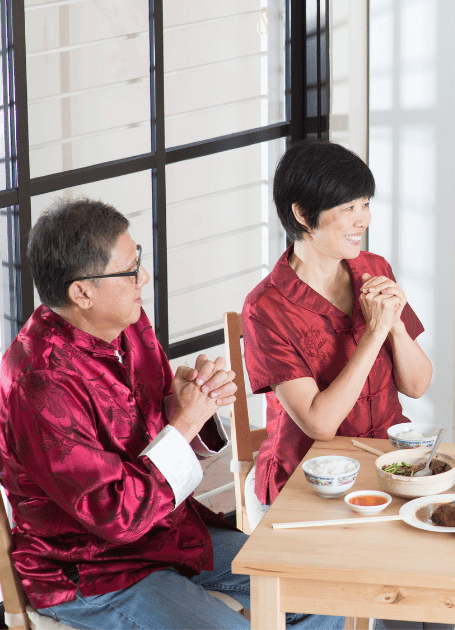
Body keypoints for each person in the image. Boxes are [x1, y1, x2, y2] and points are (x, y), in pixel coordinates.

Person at [0, 198, 341, 629]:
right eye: (129, 271)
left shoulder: (129, 324)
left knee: (320, 589)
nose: (144, 277)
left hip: (169, 533)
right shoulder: (38, 382)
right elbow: (116, 517)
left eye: (138, 259)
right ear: (82, 292)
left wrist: (186, 405)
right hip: (93, 570)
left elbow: (162, 439)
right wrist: (186, 421)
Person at [242, 140, 432, 524]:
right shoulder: (265, 308)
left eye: (365, 204)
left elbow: (417, 385)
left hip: (386, 463)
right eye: (348, 208)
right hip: (306, 480)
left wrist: (394, 325)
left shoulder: (374, 268)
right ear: (302, 213)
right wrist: (374, 332)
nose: (364, 220)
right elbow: (320, 424)